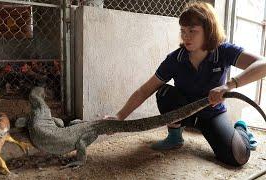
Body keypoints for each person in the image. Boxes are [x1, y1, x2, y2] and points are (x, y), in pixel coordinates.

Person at [105, 2, 266, 166]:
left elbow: (263, 64)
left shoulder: (223, 50)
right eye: (183, 30)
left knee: (238, 158)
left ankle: (240, 129)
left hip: (212, 114)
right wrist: (119, 117)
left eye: (192, 31)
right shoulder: (175, 59)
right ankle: (174, 136)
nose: (186, 36)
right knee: (164, 93)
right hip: (185, 111)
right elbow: (144, 90)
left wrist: (229, 86)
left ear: (208, 30)